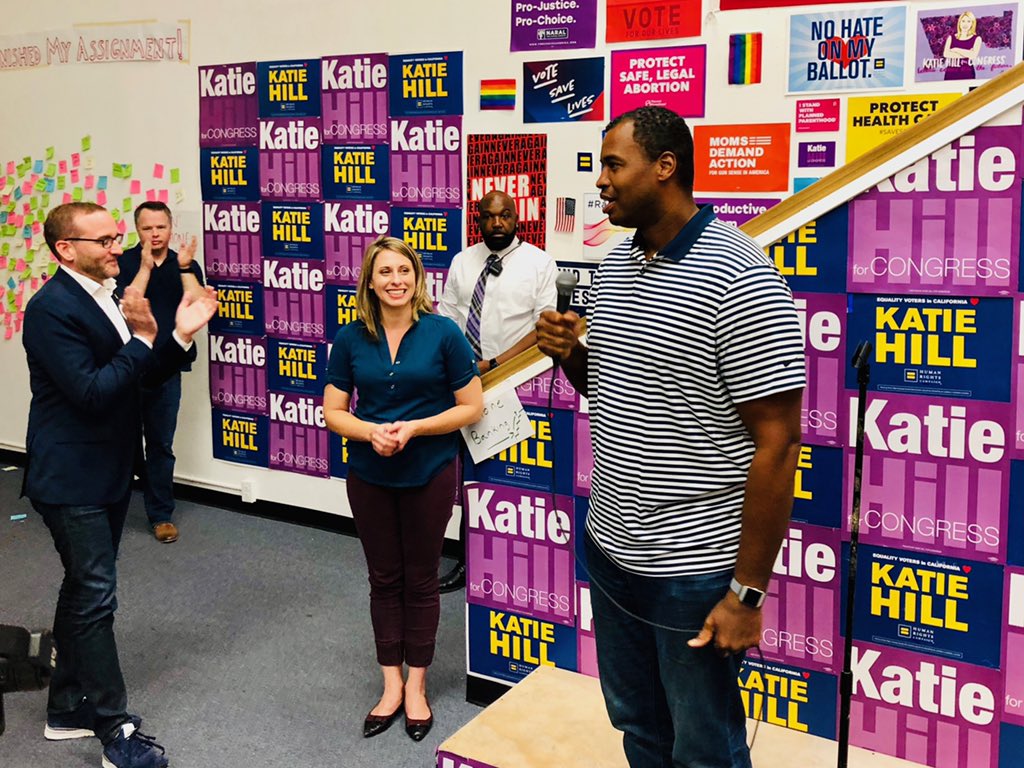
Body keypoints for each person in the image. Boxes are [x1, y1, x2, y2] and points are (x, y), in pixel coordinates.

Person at [536, 107, 805, 768]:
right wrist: (569, 355)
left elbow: (779, 443)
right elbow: (615, 394)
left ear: (665, 167)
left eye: (612, 164)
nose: (600, 181)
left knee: (705, 747)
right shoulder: (617, 263)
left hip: (692, 573)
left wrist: (746, 594)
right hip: (613, 552)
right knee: (638, 726)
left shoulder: (739, 274)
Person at [23, 202, 218, 768]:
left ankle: (65, 709)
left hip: (107, 473)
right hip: (70, 478)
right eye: (105, 240)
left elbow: (137, 379)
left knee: (82, 591)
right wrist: (141, 339)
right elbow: (91, 392)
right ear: (67, 250)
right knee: (96, 596)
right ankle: (114, 729)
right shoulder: (50, 309)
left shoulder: (103, 297)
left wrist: (177, 336)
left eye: (116, 238)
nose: (117, 248)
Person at [323, 236, 483, 742]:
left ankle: (417, 684)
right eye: (385, 272)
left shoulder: (444, 334)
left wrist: (413, 428)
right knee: (382, 578)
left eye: (405, 271)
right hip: (369, 475)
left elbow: (471, 407)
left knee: (420, 579)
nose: (396, 280)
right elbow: (332, 412)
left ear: (418, 279)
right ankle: (389, 683)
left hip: (430, 470)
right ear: (369, 281)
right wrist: (370, 431)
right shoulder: (350, 339)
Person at [436, 189, 557, 591]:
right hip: (463, 383)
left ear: (517, 217)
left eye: (505, 215)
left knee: (506, 483)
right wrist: (462, 365)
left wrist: (492, 365)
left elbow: (544, 326)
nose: (497, 223)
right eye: (489, 217)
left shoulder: (539, 263)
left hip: (515, 382)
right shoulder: (462, 260)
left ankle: (512, 564)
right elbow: (447, 317)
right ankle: (467, 562)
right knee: (467, 479)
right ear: (479, 220)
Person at [115, 201, 207, 544]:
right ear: (137, 230)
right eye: (147, 228)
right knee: (121, 442)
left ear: (170, 228)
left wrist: (184, 269)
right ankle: (112, 510)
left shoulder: (185, 264)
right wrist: (143, 267)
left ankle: (160, 514)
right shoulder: (122, 262)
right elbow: (129, 301)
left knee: (160, 444)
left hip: (167, 366)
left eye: (160, 227)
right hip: (125, 366)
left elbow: (199, 304)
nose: (154, 234)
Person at [943, 11, 981, 80]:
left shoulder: (977, 39)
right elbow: (946, 54)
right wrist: (967, 53)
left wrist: (955, 49)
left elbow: (973, 55)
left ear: (972, 24)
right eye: (963, 21)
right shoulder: (951, 37)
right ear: (959, 23)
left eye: (968, 21)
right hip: (951, 73)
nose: (965, 24)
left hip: (967, 73)